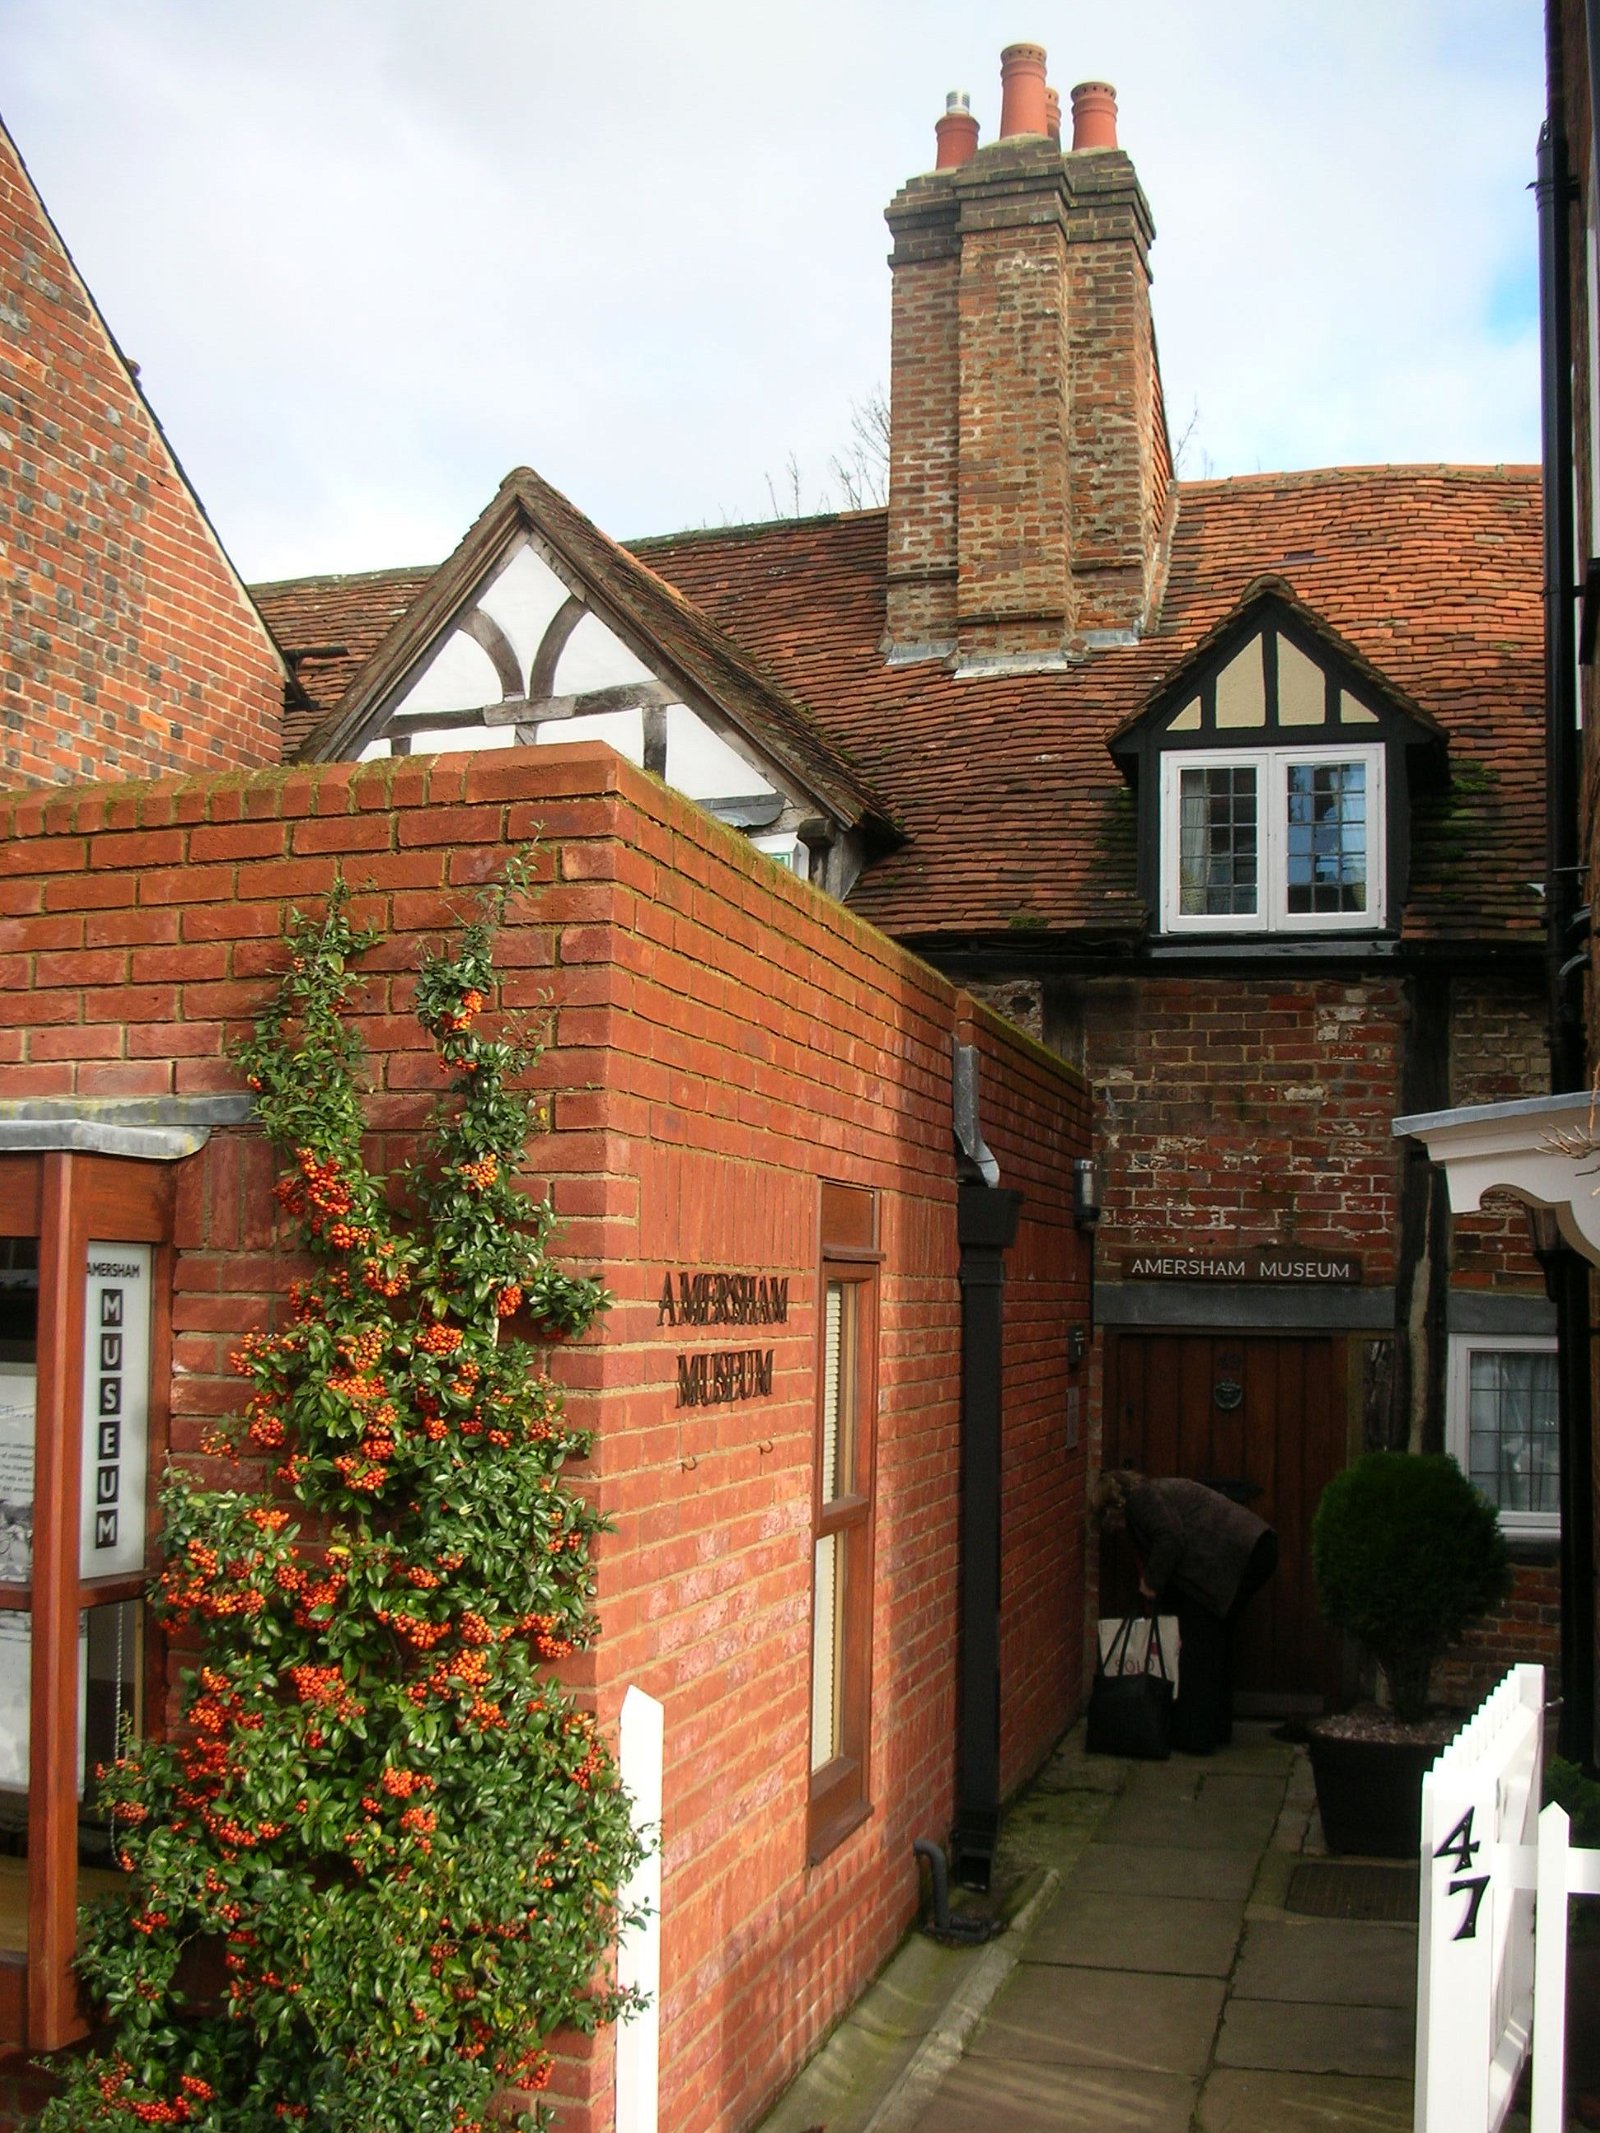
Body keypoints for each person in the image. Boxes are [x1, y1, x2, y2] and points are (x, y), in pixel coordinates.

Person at [1092, 1468, 1278, 1755]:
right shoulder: (1154, 1493)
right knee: (1215, 1642)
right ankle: (1214, 1729)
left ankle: (1196, 1736)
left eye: (1106, 1520)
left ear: (1113, 1507)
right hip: (1252, 1549)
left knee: (1200, 1650)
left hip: (1236, 1558)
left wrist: (1151, 1582)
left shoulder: (1142, 1500)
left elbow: (1171, 1538)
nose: (1111, 1529)